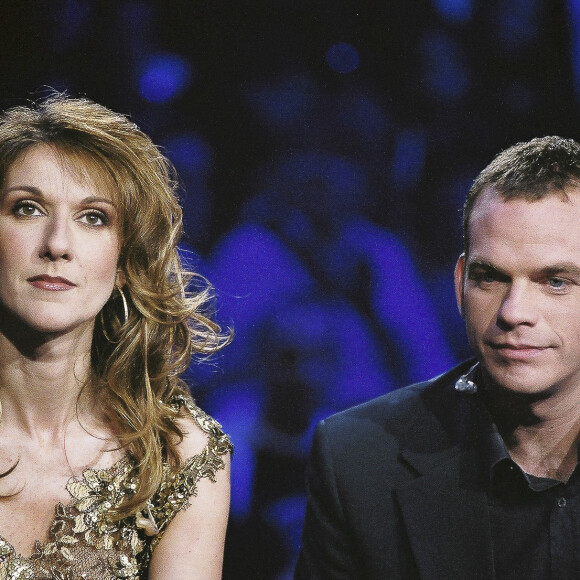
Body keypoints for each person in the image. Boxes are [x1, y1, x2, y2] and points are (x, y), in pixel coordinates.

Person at [295, 135, 580, 579]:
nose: (513, 312)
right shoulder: (358, 462)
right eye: (490, 278)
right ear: (460, 283)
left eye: (556, 281)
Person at [0, 93, 232, 579]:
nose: (57, 245)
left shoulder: (177, 456)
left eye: (93, 217)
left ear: (124, 262)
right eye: (27, 209)